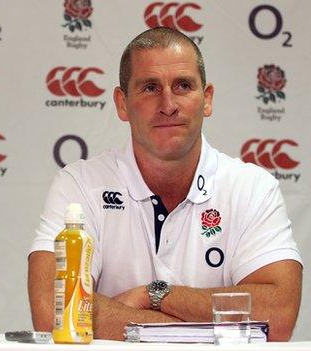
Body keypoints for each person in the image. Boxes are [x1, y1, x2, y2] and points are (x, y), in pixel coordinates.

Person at [28, 27, 302, 341]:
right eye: (150, 87)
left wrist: (155, 294)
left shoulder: (252, 188)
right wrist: (203, 330)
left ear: (207, 99)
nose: (168, 104)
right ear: (122, 103)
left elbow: (277, 315)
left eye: (183, 85)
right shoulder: (80, 184)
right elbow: (54, 311)